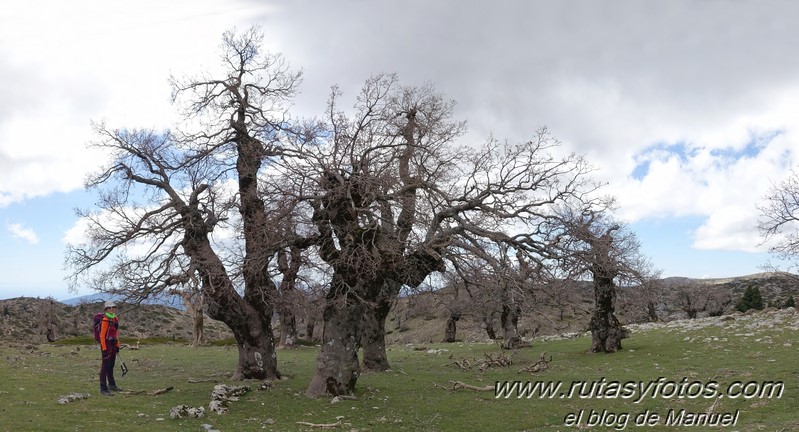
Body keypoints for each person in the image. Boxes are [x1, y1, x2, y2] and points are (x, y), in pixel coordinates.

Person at [99, 301, 122, 396]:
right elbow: (102, 336)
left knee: (111, 365)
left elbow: (116, 333)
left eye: (113, 307)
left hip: (113, 344)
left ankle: (112, 385)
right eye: (109, 308)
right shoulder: (105, 319)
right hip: (107, 344)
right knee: (105, 366)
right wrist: (104, 349)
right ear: (106, 309)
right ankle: (103, 388)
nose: (112, 309)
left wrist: (117, 345)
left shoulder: (115, 318)